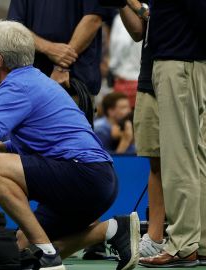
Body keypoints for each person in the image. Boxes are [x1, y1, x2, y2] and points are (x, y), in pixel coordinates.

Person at [0, 20, 139, 270]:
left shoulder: (17, 86)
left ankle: (48, 253)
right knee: (21, 246)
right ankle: (111, 230)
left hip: (85, 175)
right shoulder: (35, 80)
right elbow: (21, 149)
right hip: (98, 179)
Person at [138, 0, 206, 267]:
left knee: (179, 156)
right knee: (195, 155)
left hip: (179, 63)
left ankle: (182, 244)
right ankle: (199, 241)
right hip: (184, 62)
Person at [116, 0, 166, 258]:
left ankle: (193, 234)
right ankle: (156, 237)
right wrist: (122, 4)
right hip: (149, 76)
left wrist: (134, 3)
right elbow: (139, 31)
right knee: (155, 161)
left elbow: (153, 15)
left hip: (183, 70)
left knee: (190, 160)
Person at [7, 0, 106, 94]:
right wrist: (49, 48)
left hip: (73, 86)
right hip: (29, 85)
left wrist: (61, 66)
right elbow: (13, 28)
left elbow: (93, 20)